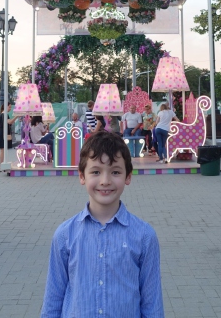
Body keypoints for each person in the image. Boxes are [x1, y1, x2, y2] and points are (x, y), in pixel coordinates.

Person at [41, 131, 164, 318]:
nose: (105, 181)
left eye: (115, 172)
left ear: (128, 177)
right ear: (82, 176)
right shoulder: (65, 235)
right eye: (96, 172)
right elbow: (53, 298)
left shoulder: (144, 236)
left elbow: (152, 302)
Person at [0, 103, 18, 170]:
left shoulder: (2, 114)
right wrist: (17, 116)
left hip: (3, 133)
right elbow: (10, 122)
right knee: (3, 149)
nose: (10, 109)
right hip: (3, 134)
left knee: (3, 150)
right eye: (9, 107)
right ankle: (1, 165)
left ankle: (1, 165)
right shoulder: (4, 114)